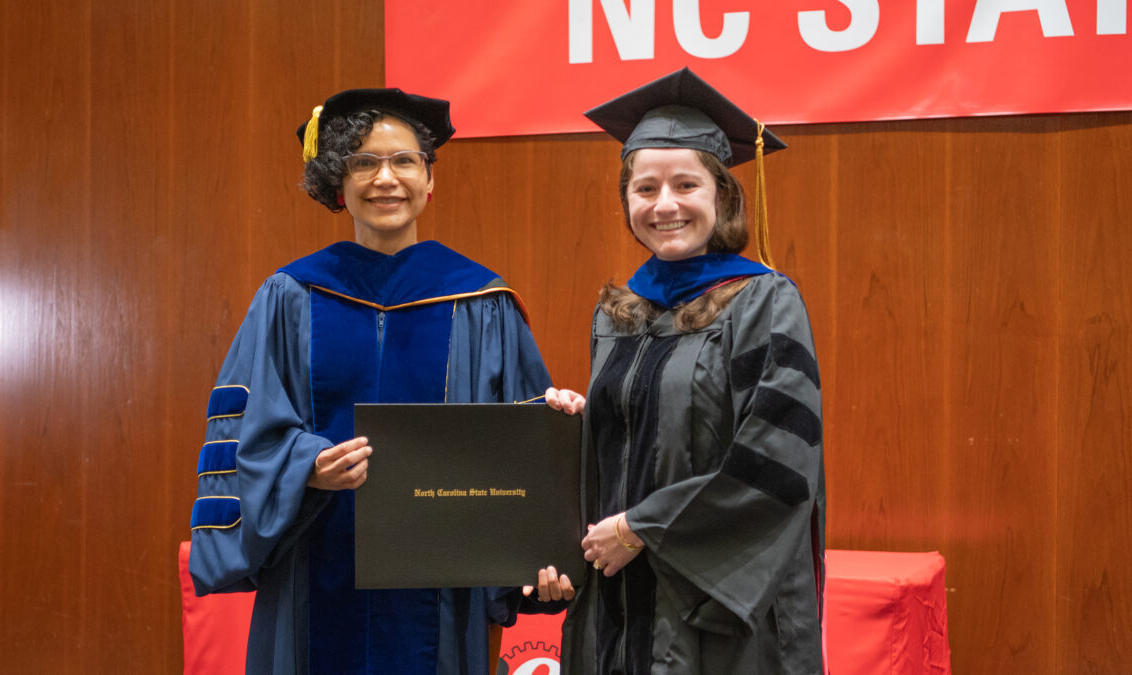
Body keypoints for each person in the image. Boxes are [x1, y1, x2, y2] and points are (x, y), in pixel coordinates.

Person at [187, 88, 554, 674]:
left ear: (429, 181)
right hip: (316, 558)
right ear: (340, 184)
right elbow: (246, 428)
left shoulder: (483, 301)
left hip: (442, 578)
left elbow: (519, 441)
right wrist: (306, 464)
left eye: (405, 161)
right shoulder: (291, 296)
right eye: (364, 162)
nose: (387, 178)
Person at [545, 68, 826, 674]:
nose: (664, 204)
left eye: (685, 184)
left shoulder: (763, 302)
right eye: (645, 188)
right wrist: (576, 423)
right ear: (626, 201)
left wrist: (643, 528)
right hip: (618, 602)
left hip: (716, 612)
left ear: (721, 195)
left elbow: (778, 462)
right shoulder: (618, 313)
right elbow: (631, 441)